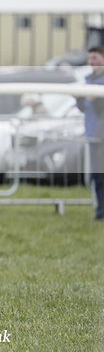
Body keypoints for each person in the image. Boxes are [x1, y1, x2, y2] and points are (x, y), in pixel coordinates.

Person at [77, 45, 104, 221]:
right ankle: (100, 211)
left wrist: (94, 100)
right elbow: (83, 108)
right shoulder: (88, 80)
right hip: (93, 135)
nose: (91, 62)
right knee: (97, 176)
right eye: (89, 58)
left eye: (95, 58)